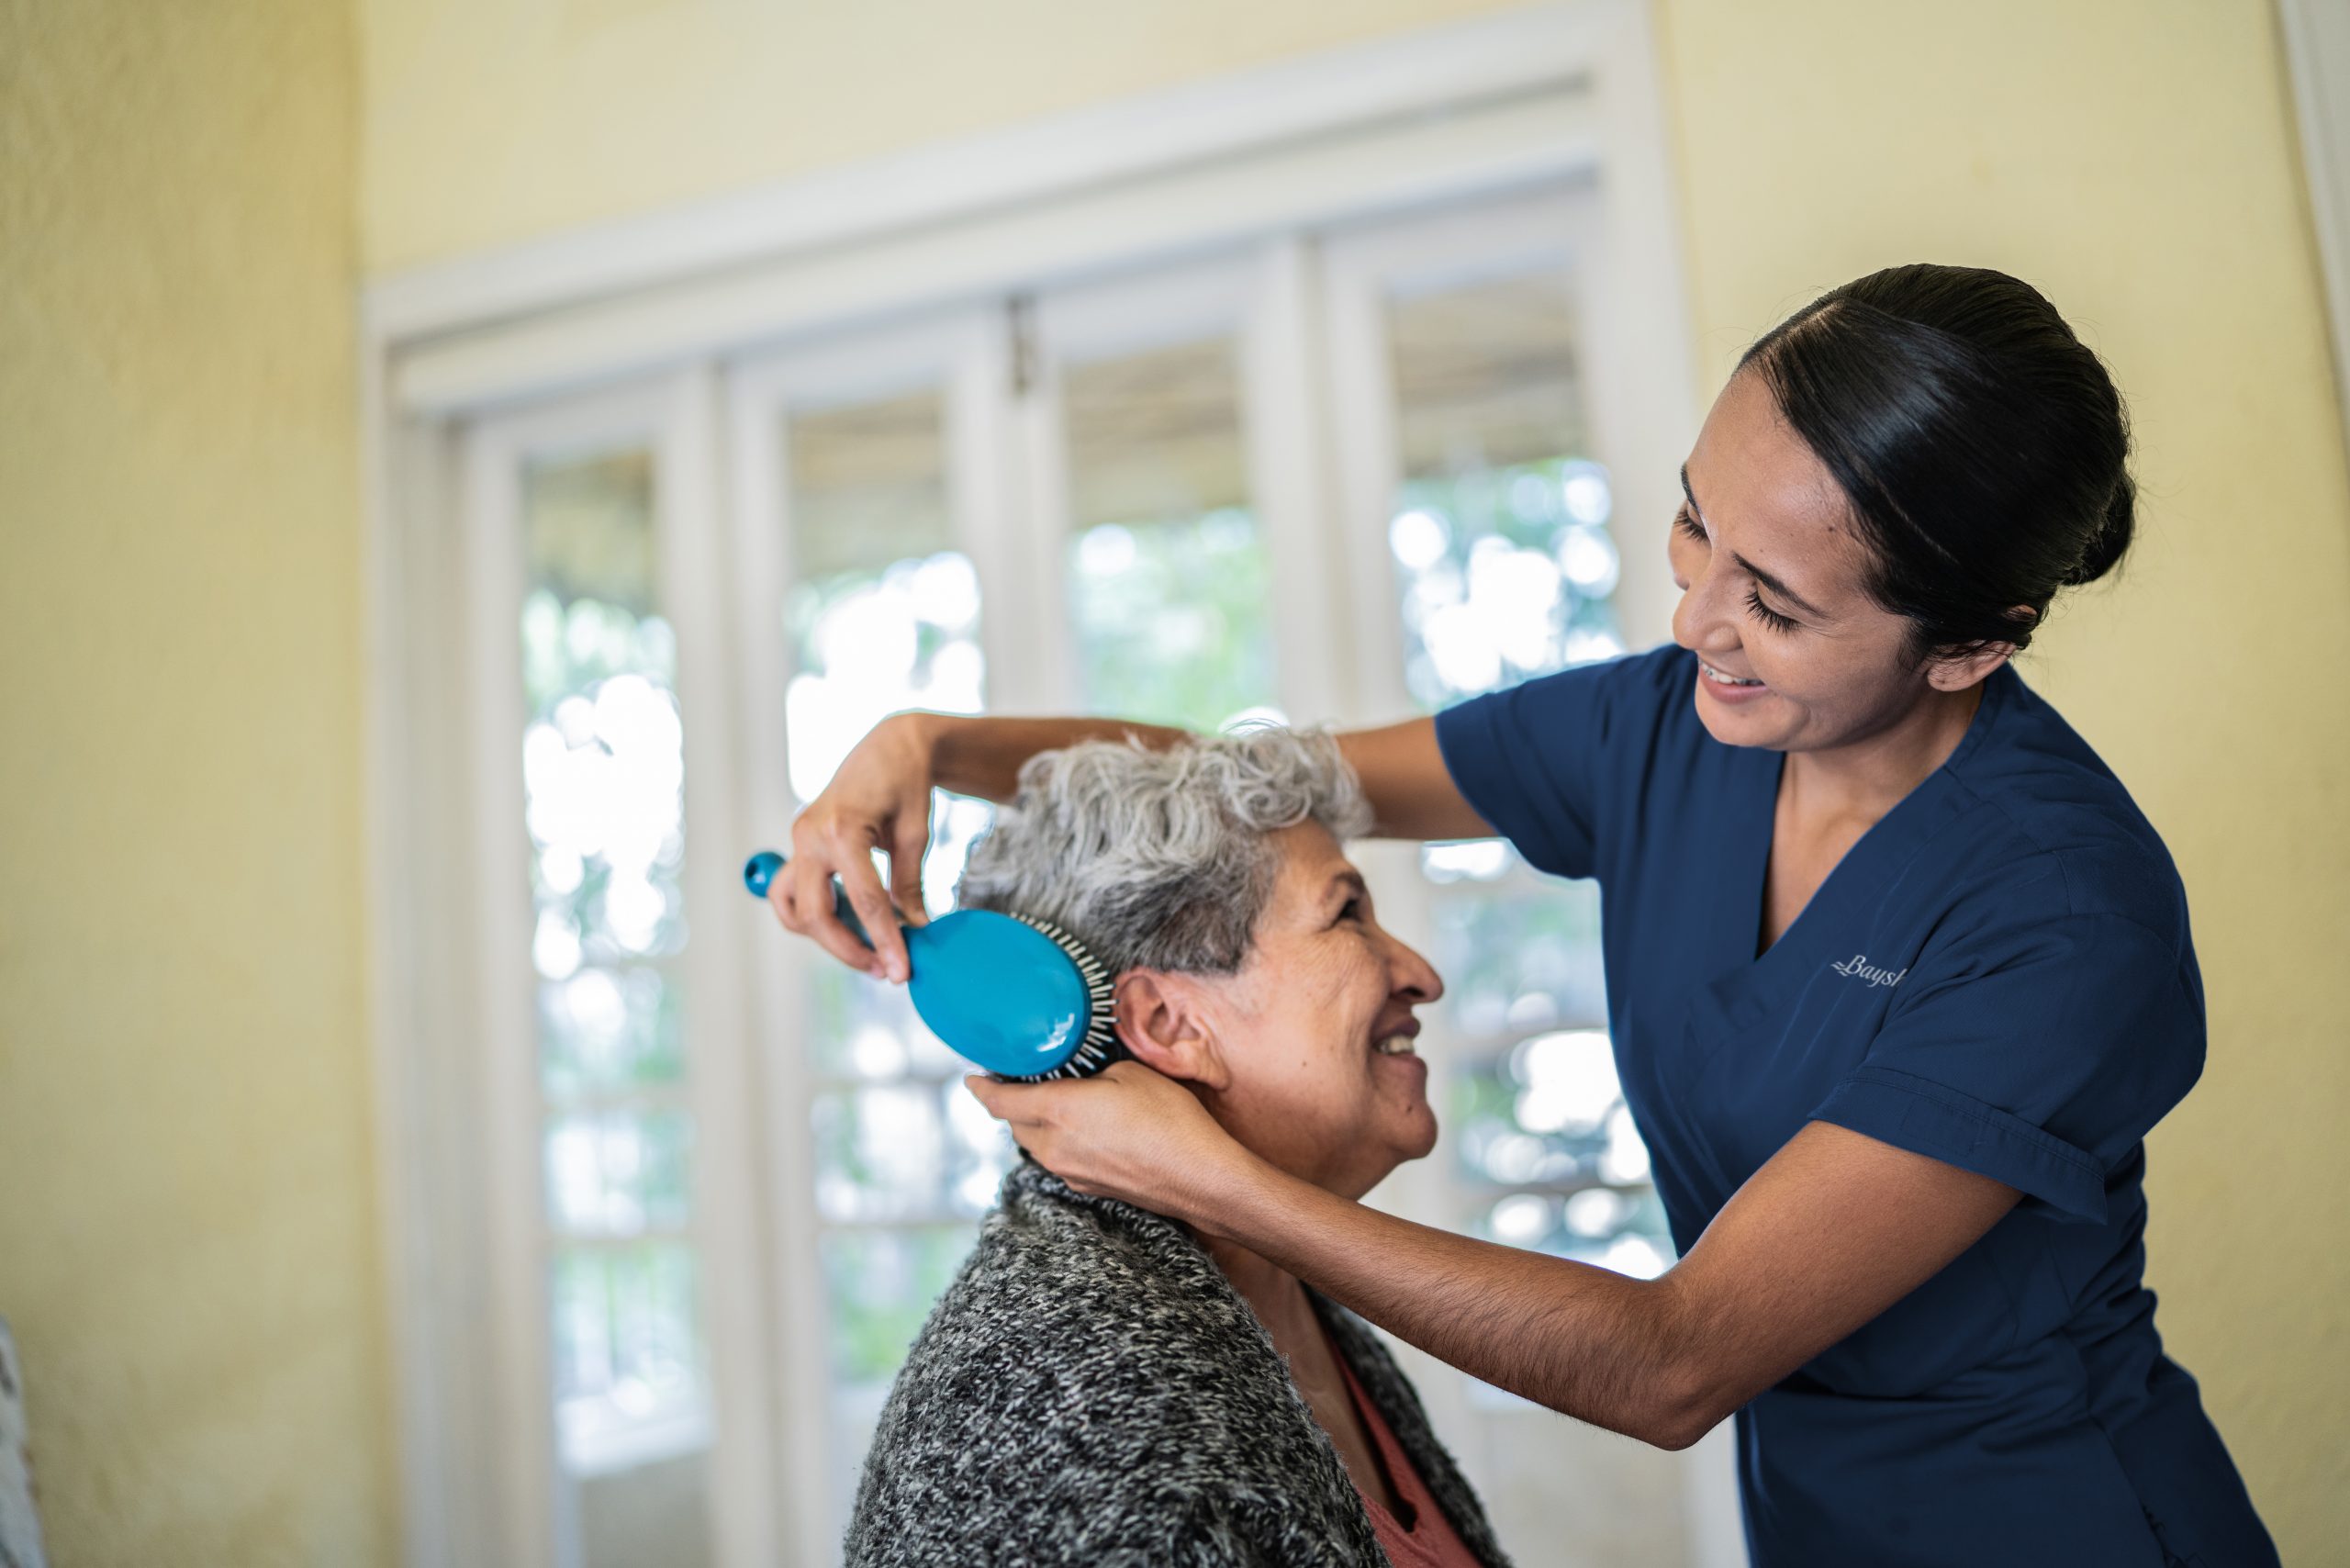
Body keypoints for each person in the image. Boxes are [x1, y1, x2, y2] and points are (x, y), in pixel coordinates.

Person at [780, 264, 2278, 1566]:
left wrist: (1214, 1177)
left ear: (1966, 649)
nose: (1695, 620)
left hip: (2056, 1515)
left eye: (1775, 599)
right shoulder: (1673, 722)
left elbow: (1673, 1361)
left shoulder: (2063, 914)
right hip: (1819, 1511)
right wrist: (932, 740)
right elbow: (1247, 791)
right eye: (1696, 528)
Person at [843, 729, 1513, 1568]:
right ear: (1167, 1024)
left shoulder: (1274, 1292)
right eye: (1346, 914)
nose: (1421, 973)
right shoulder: (1076, 1406)